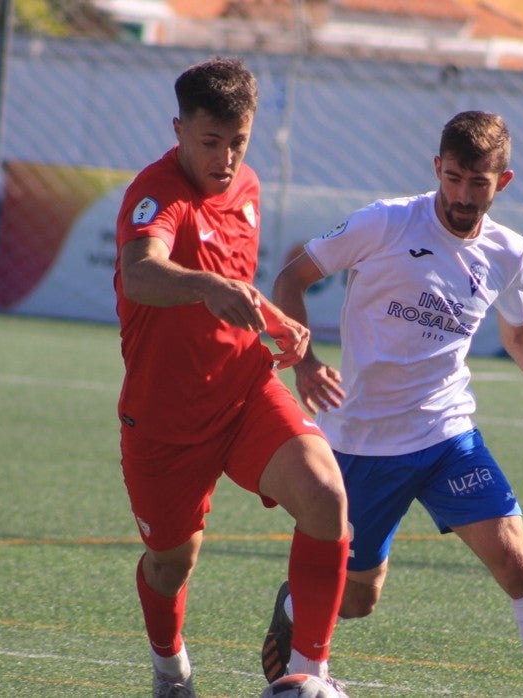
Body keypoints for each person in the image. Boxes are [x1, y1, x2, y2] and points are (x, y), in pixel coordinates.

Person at [261, 111, 523, 698]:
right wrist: (305, 361)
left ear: (505, 181)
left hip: (447, 435)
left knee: (515, 562)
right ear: (436, 169)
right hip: (362, 442)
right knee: (359, 599)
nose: (463, 196)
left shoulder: (508, 251)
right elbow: (291, 279)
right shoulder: (386, 222)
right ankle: (299, 600)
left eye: (479, 183)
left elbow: (519, 333)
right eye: (453, 178)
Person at [113, 56, 351, 698]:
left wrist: (287, 338)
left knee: (326, 497)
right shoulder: (156, 195)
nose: (224, 158)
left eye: (237, 142)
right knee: (170, 565)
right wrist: (205, 287)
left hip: (246, 395)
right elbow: (140, 272)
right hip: (165, 420)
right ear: (179, 129)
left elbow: (237, 285)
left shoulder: (245, 187)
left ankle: (310, 677)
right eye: (209, 142)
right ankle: (170, 669)